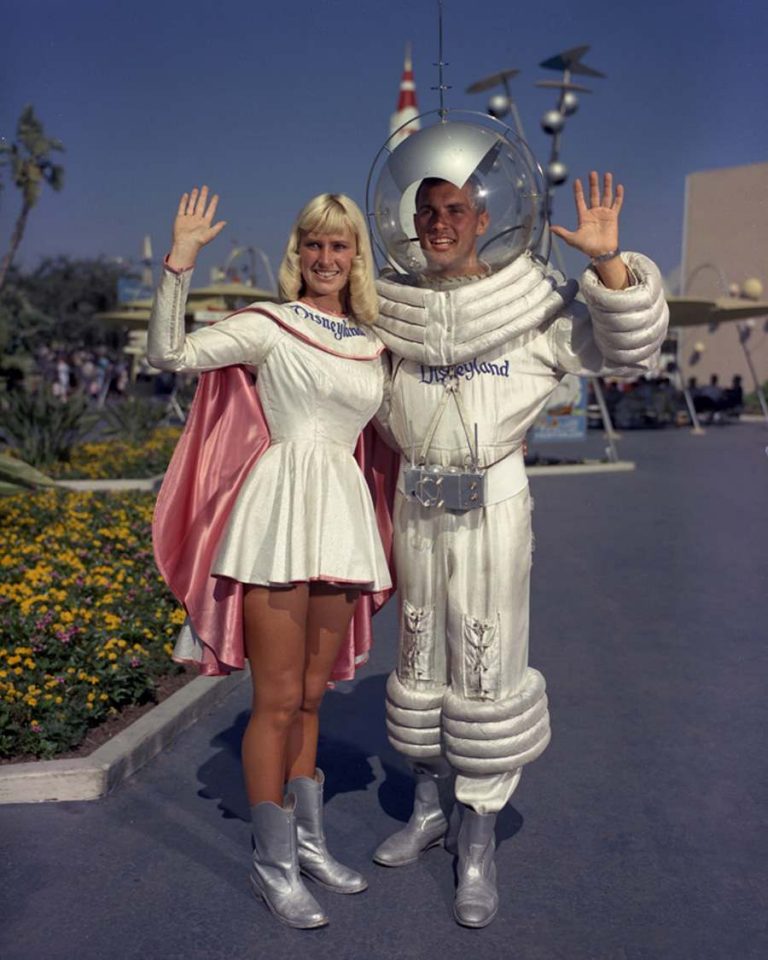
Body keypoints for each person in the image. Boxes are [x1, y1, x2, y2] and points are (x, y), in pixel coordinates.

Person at [372, 167, 669, 927]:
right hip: (417, 501)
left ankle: (477, 841)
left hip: (492, 501)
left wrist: (608, 263)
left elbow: (629, 347)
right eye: (428, 212)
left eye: (456, 210)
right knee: (416, 654)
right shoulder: (393, 310)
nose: (441, 223)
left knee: (487, 662)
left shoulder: (531, 304)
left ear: (483, 218)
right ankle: (428, 808)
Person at [148, 186, 392, 929]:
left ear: (357, 255)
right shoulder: (269, 323)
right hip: (278, 511)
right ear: (298, 251)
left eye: (339, 244)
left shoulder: (376, 341)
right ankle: (273, 863)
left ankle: (308, 844)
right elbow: (169, 354)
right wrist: (180, 262)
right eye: (314, 243)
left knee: (313, 698)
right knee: (278, 699)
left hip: (342, 514)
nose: (325, 256)